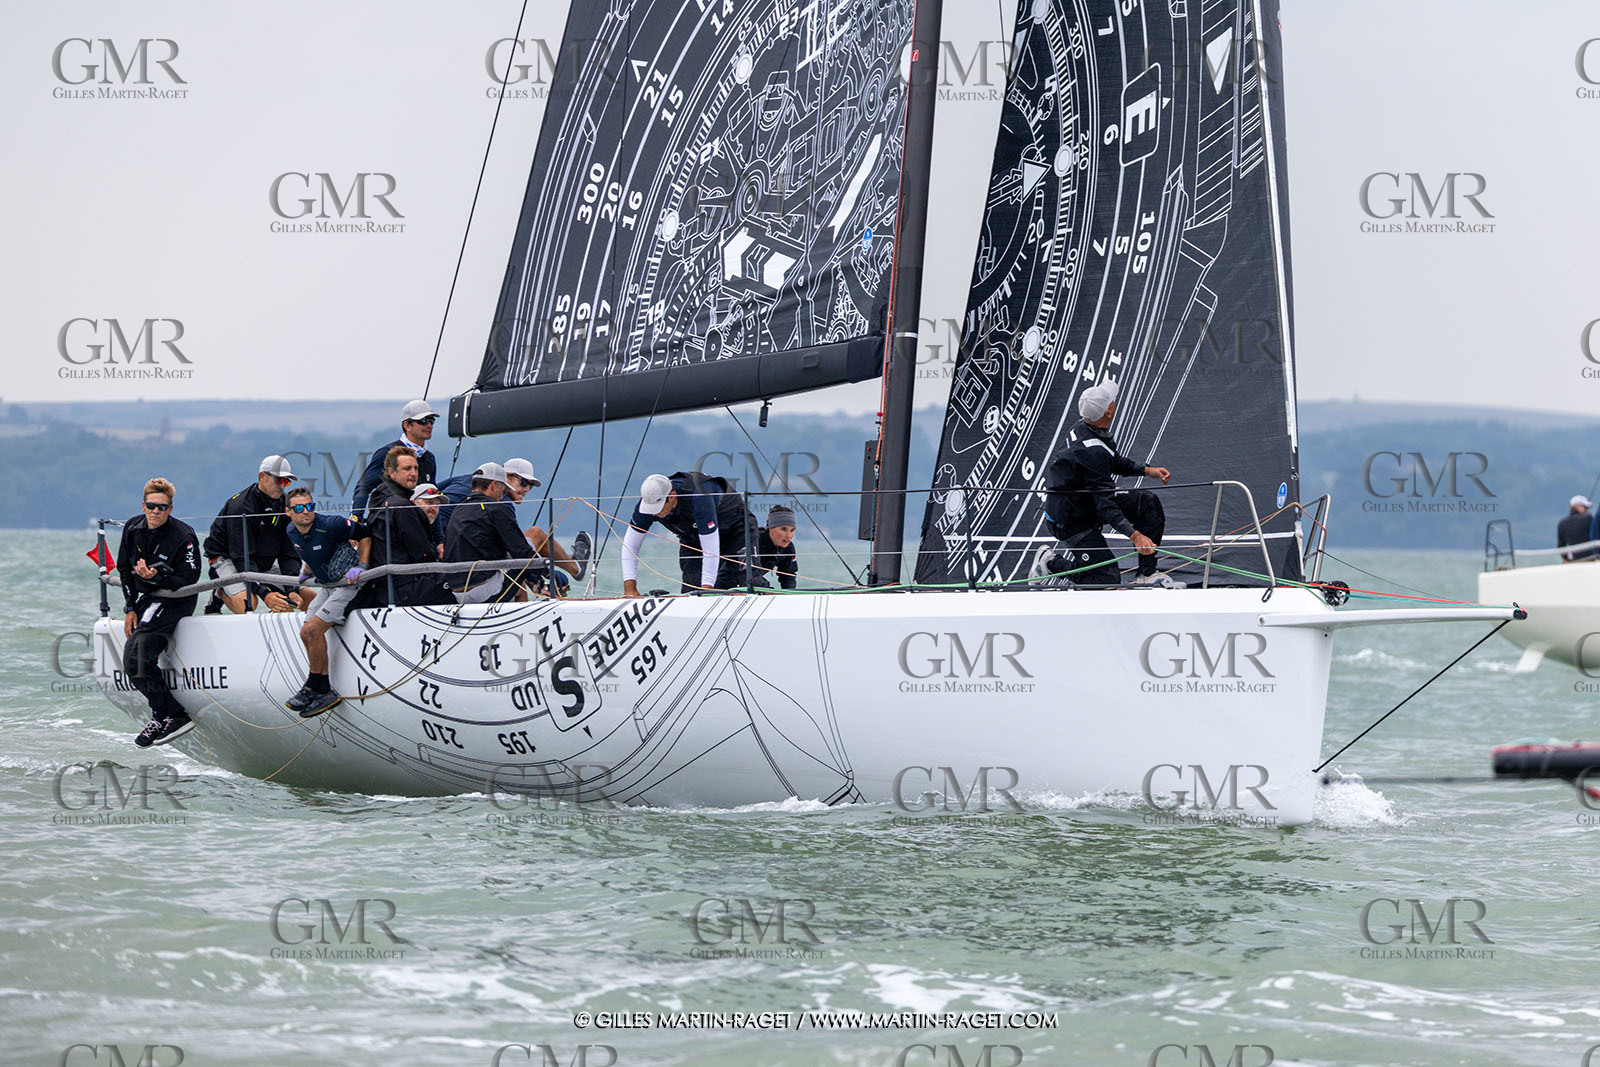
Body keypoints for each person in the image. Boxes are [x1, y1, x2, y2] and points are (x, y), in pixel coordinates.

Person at [1034, 381, 1178, 588]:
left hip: (1084, 502)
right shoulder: (1092, 450)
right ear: (1108, 412)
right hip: (1071, 520)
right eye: (1112, 400)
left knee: (1147, 502)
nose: (1114, 401)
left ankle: (1147, 573)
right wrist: (1136, 536)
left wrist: (1146, 470)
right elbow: (1106, 506)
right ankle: (1051, 563)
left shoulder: (1086, 427)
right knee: (1106, 579)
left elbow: (1110, 460)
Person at [119, 477, 203, 748]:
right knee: (133, 660)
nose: (156, 512)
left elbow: (190, 579)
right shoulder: (133, 527)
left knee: (136, 657)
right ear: (143, 506)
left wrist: (156, 578)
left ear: (171, 509)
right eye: (152, 506)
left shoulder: (184, 536)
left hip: (176, 599)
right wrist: (130, 608)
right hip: (149, 599)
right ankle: (162, 714)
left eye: (163, 508)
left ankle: (174, 715)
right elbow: (123, 569)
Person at [284, 487, 372, 718]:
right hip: (327, 584)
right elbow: (308, 552)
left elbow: (364, 532)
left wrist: (361, 565)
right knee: (305, 632)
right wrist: (305, 571)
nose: (307, 512)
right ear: (288, 512)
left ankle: (316, 686)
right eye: (300, 508)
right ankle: (321, 687)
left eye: (310, 506)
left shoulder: (330, 523)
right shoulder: (291, 531)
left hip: (348, 582)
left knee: (314, 629)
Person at [202, 455, 312, 614]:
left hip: (260, 562)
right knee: (248, 605)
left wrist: (292, 588)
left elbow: (288, 553)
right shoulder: (240, 507)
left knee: (308, 598)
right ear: (262, 477)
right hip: (229, 559)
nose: (282, 486)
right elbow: (241, 557)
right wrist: (265, 594)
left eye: (286, 482)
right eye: (279, 480)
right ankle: (220, 592)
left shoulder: (285, 505)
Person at [621, 471, 753, 596]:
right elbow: (630, 545)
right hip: (693, 538)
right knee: (691, 588)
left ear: (672, 496)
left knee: (747, 579)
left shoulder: (698, 497)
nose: (654, 513)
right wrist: (630, 589)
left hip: (736, 529)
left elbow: (710, 548)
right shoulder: (649, 502)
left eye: (658, 508)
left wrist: (706, 591)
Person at [355, 446, 453, 607]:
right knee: (462, 580)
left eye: (415, 468)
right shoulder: (401, 506)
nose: (413, 473)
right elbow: (422, 553)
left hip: (386, 587)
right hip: (405, 588)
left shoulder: (380, 499)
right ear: (391, 472)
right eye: (407, 468)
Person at [443, 463, 542, 604]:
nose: (502, 495)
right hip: (482, 592)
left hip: (457, 592)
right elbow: (521, 550)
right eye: (503, 488)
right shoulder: (497, 508)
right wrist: (547, 571)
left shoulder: (459, 508)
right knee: (523, 562)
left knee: (517, 581)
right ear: (494, 485)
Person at [351, 400, 439, 519]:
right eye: (423, 421)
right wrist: (356, 519)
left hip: (418, 523)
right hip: (390, 523)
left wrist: (439, 537)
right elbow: (364, 487)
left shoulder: (429, 458)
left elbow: (431, 498)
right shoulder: (387, 453)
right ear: (407, 425)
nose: (429, 425)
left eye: (431, 421)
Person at [752, 505, 799, 590]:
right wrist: (768, 590)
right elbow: (750, 573)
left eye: (792, 530)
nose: (789, 536)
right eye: (784, 529)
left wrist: (789, 594)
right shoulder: (755, 541)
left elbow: (788, 575)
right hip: (726, 583)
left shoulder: (788, 547)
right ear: (771, 528)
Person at [1557, 495, 1595, 562]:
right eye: (1585, 507)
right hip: (1592, 559)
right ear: (1577, 507)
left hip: (1575, 561)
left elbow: (1561, 547)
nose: (1587, 510)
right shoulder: (1588, 518)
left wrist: (1567, 559)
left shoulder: (1562, 523)